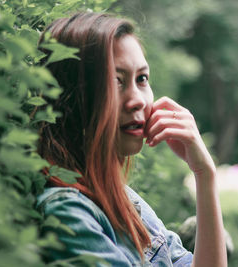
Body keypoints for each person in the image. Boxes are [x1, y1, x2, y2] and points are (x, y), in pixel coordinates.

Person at [36, 12, 227, 267]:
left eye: (142, 79)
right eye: (116, 81)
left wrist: (205, 175)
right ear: (72, 96)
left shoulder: (127, 202)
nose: (137, 99)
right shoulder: (68, 214)